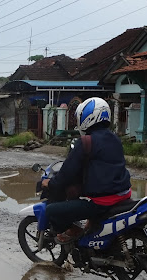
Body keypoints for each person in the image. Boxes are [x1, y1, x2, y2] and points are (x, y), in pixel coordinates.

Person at [41, 97, 131, 244]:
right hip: (124, 194)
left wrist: (50, 184)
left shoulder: (85, 142)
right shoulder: (115, 139)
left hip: (103, 201)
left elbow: (66, 174)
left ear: (87, 117)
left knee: (51, 210)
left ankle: (75, 230)